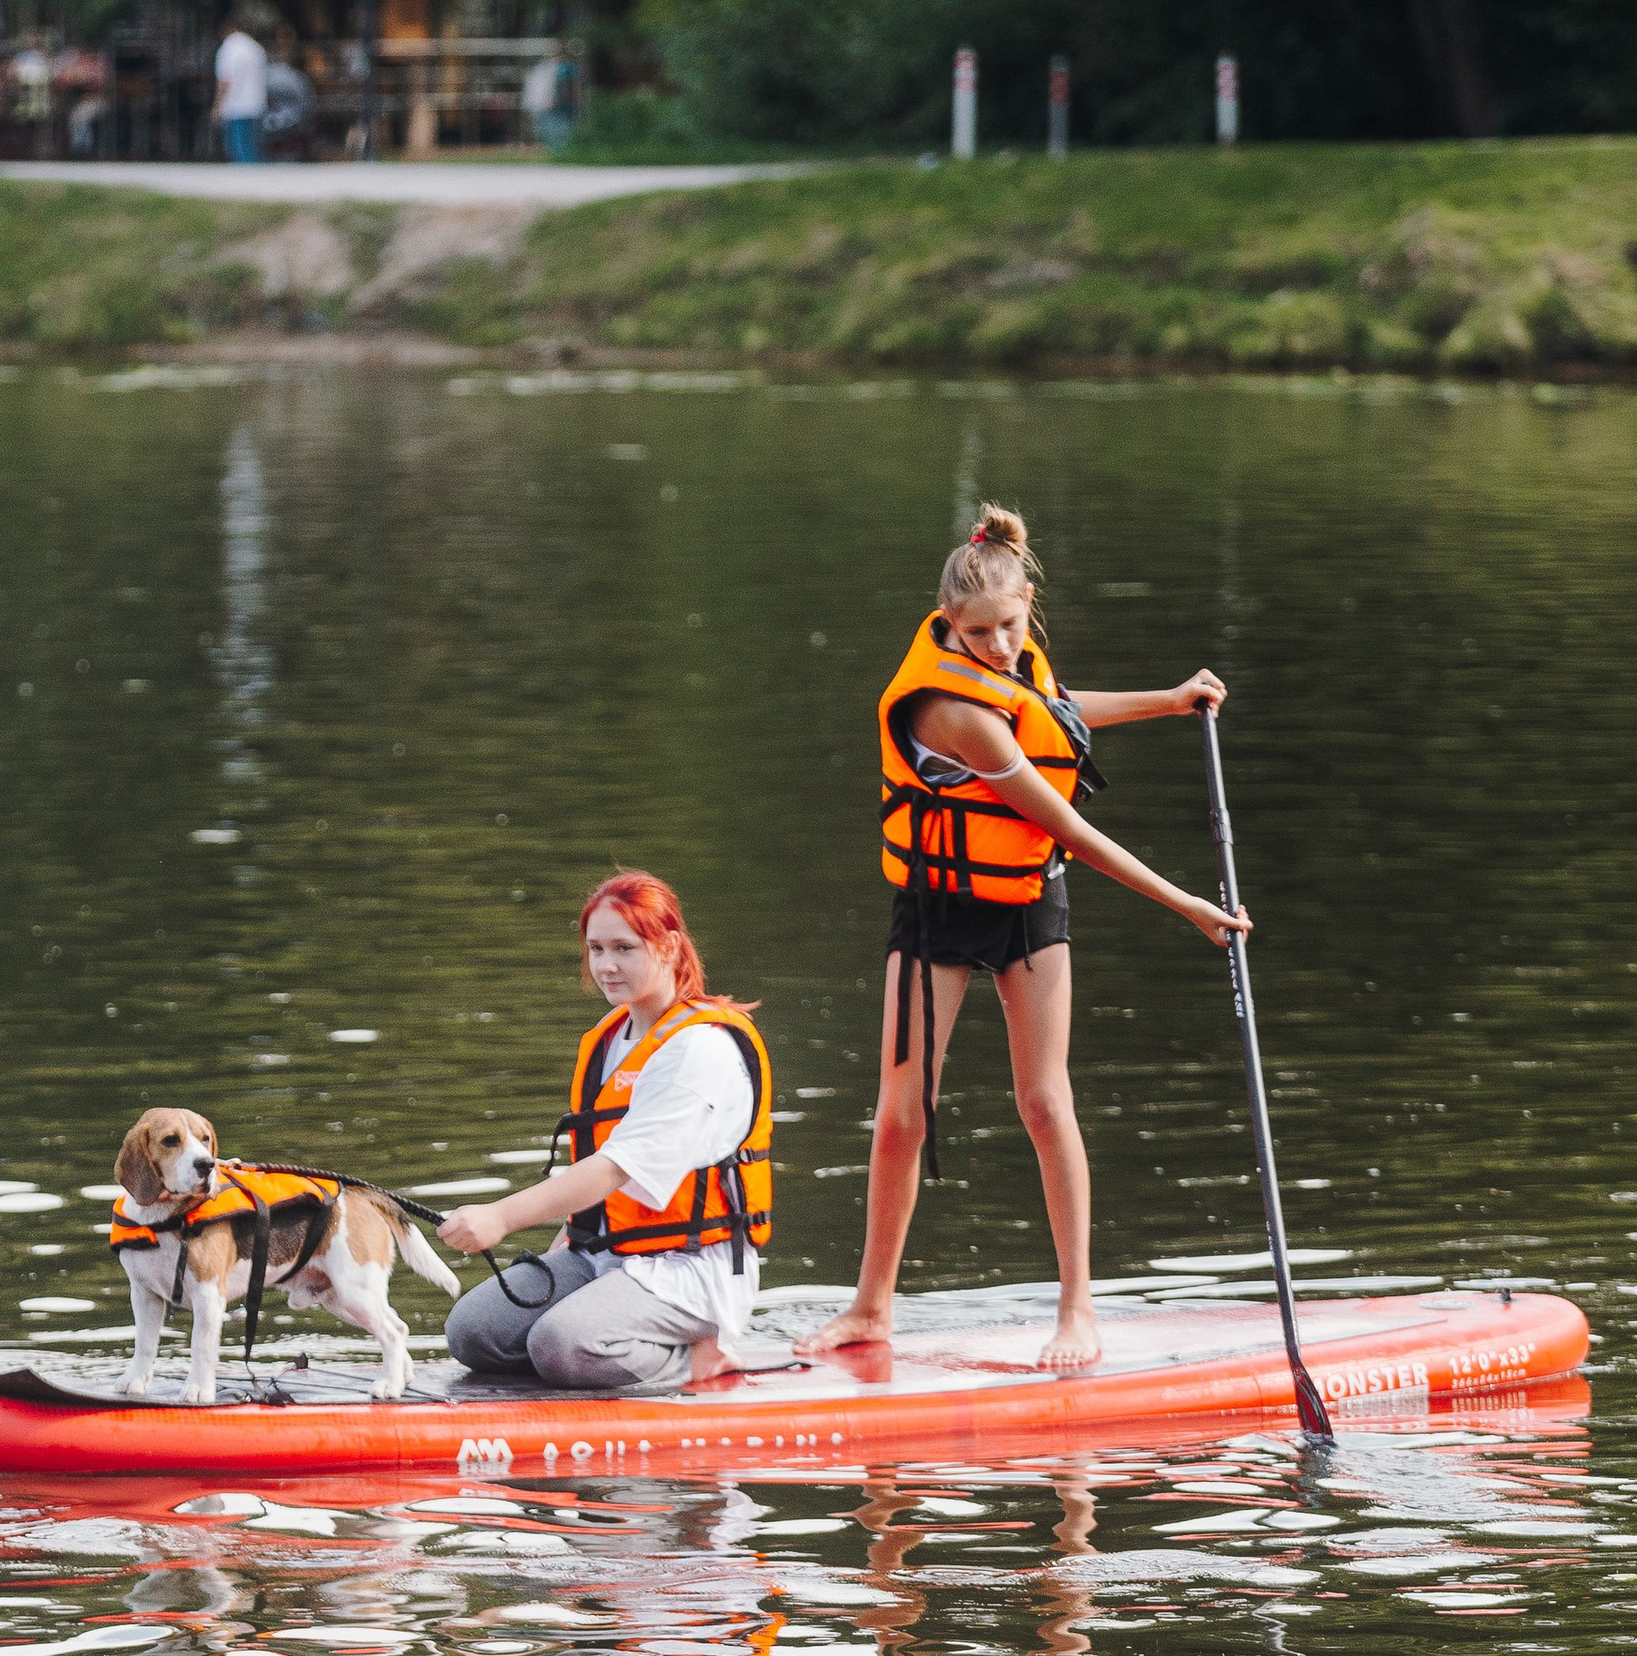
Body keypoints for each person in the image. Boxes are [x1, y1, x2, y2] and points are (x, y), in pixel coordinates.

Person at [817, 501, 1245, 1375]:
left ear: (1027, 611)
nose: (1000, 648)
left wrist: (1170, 701)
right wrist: (1188, 905)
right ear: (948, 625)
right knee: (905, 1110)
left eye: (1012, 627)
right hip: (938, 907)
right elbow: (1073, 830)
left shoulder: (1012, 672)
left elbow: (1051, 711)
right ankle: (869, 1308)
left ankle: (1077, 1309)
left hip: (1026, 903)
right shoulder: (949, 711)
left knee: (1046, 1102)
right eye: (980, 635)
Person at [438, 869, 773, 1398]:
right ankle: (598, 1356)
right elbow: (598, 1180)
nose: (607, 966)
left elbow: (616, 1167)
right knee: (474, 1334)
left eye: (625, 947)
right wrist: (562, 1248)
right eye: (596, 948)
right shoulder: (610, 1039)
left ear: (669, 947)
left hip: (689, 1269)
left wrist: (500, 1216)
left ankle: (700, 1358)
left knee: (561, 1345)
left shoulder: (700, 1049)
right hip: (604, 1254)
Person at [212, 9, 269, 164]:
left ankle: (244, 186)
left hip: (236, 106)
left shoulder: (229, 47)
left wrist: (217, 106)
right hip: (256, 104)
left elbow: (225, 79)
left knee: (239, 151)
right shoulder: (255, 47)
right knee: (253, 149)